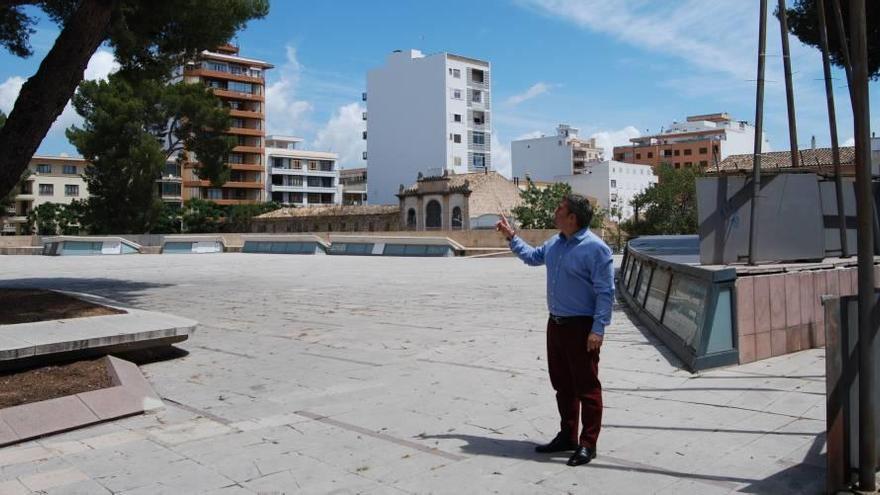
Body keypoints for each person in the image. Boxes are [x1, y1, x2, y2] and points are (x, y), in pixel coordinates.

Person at [496, 194, 614, 466]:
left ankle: (588, 444)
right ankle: (567, 436)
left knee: (587, 387)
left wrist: (598, 329)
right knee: (562, 385)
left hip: (582, 327)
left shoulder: (596, 249)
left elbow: (606, 292)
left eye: (560, 208)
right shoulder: (555, 243)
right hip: (557, 325)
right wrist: (511, 236)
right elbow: (531, 257)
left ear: (572, 218)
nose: (555, 211)